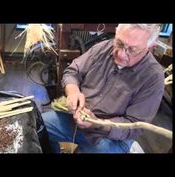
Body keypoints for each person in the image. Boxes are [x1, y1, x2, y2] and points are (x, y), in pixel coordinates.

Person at [42, 24, 164, 153]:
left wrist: (98, 123)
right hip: (76, 119)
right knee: (37, 126)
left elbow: (134, 125)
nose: (121, 54)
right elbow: (73, 71)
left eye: (132, 50)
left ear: (149, 48)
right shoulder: (103, 47)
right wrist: (73, 91)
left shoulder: (153, 77)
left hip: (111, 136)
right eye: (119, 43)